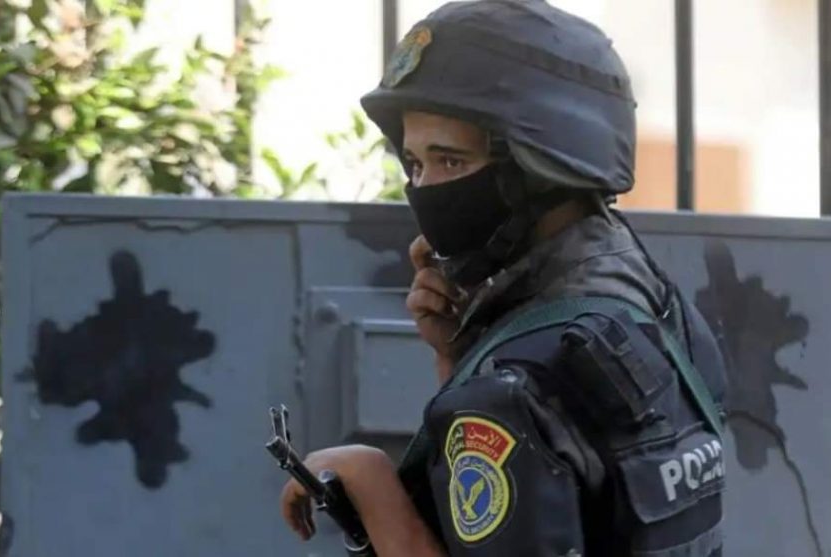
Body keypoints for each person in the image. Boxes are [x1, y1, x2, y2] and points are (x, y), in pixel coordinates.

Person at [280, 1, 728, 555]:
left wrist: (370, 481)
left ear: (541, 169)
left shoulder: (514, 389)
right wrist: (464, 356)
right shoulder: (651, 307)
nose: (425, 189)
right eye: (415, 164)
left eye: (451, 161)